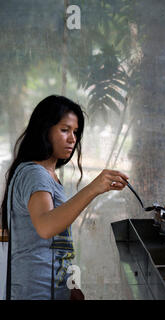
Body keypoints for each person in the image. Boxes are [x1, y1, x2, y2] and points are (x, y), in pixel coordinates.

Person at [0, 95, 129, 300]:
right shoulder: (35, 174)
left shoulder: (47, 175)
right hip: (35, 293)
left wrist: (70, 284)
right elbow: (46, 227)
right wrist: (93, 188)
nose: (72, 139)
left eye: (75, 132)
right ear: (44, 130)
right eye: (64, 130)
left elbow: (58, 243)